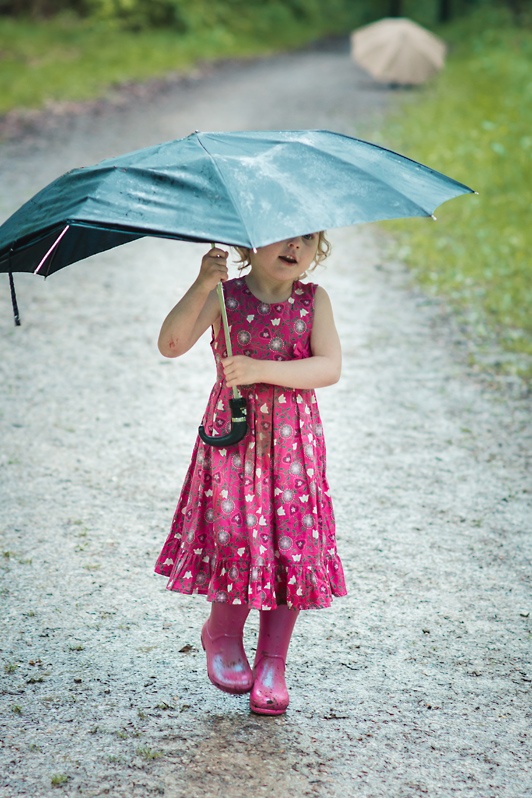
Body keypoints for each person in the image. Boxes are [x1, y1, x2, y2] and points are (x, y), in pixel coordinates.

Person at [154, 233, 347, 715]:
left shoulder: (313, 300)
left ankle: (272, 663)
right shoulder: (227, 296)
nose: (296, 248)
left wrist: (261, 368)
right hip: (235, 437)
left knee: (291, 543)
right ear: (251, 243)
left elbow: (328, 367)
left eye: (308, 239)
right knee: (236, 532)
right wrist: (202, 283)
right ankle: (221, 635)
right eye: (284, 237)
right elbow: (171, 344)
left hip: (292, 440)